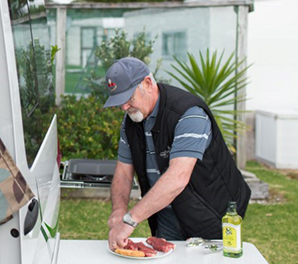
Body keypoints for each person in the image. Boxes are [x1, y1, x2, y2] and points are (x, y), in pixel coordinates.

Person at [103, 57, 250, 250]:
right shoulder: (131, 121)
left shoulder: (189, 114)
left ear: (147, 83)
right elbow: (123, 173)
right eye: (119, 101)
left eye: (129, 98)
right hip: (166, 214)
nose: (124, 107)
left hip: (212, 213)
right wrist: (118, 211)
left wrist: (130, 220)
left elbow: (178, 177)